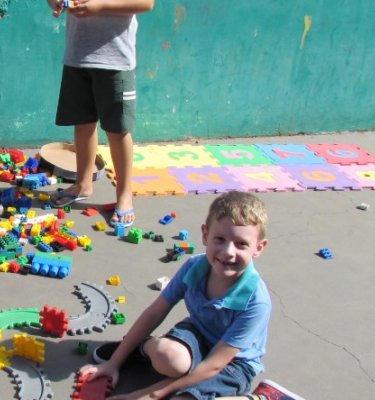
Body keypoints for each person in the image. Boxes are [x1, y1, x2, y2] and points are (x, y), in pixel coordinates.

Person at [83, 191, 274, 399]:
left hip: (234, 363)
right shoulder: (195, 267)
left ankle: (261, 397)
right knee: (169, 358)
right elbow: (155, 312)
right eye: (220, 239)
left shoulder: (256, 302)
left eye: (241, 244)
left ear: (259, 248)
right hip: (197, 335)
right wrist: (114, 363)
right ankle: (140, 347)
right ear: (205, 235)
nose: (228, 251)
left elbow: (214, 365)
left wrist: (149, 395)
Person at [45, 0, 155, 228]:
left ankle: (124, 195)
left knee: (118, 130)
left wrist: (100, 6)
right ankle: (83, 184)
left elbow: (146, 3)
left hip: (116, 60)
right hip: (77, 56)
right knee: (82, 124)